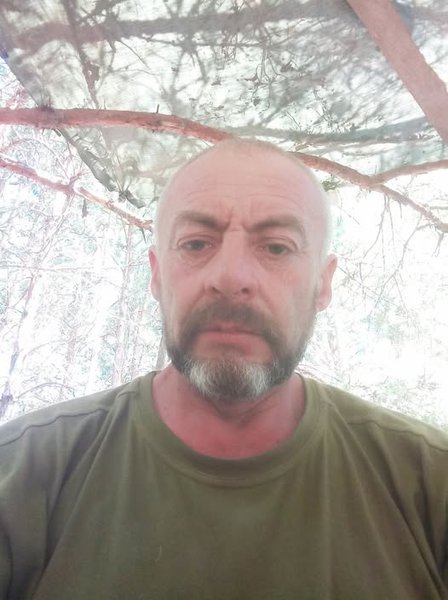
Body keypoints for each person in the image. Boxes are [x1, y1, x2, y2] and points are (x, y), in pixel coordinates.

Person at [1, 139, 447, 600]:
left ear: (323, 283)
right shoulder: (21, 475)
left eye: (276, 248)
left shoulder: (430, 484)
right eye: (196, 243)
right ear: (156, 274)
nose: (231, 277)